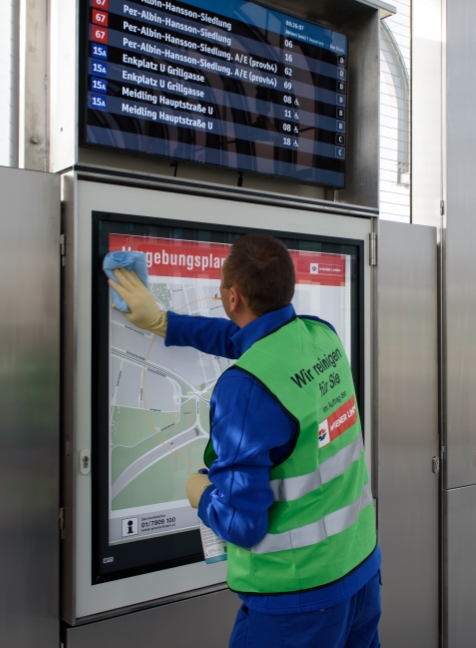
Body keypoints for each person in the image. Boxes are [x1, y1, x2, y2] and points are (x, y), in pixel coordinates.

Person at [108, 234, 381, 648]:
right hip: (360, 573)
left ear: (232, 296)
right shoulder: (320, 335)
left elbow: (244, 524)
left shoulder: (246, 389)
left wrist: (202, 496)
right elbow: (246, 339)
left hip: (298, 600)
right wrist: (163, 323)